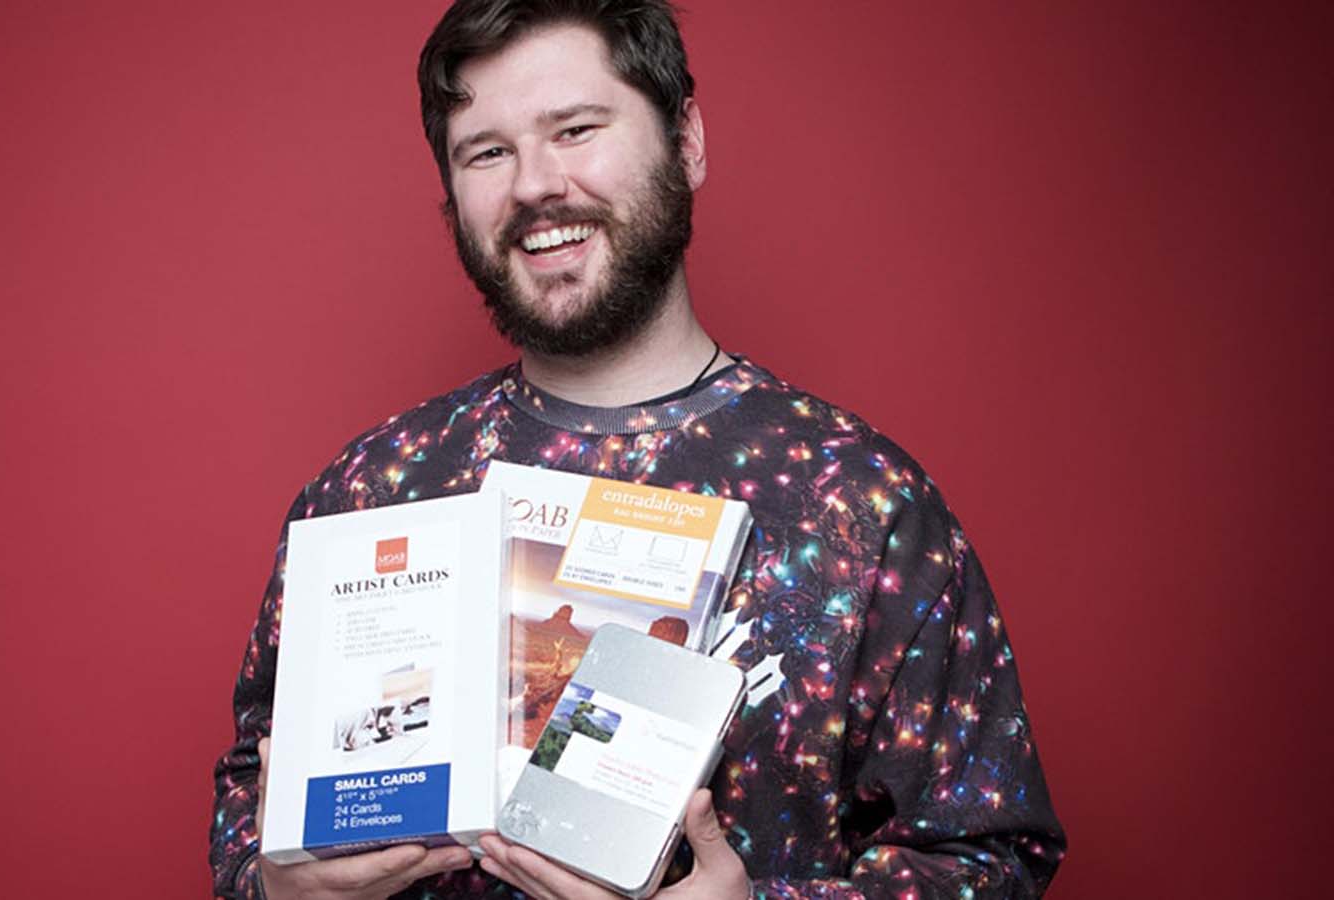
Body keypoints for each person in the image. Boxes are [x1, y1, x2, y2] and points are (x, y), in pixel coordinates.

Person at [210, 1, 1066, 896]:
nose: (535, 185)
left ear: (687, 139)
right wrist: (270, 886)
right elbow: (250, 790)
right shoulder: (371, 492)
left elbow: (989, 858)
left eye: (575, 129)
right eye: (487, 151)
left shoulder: (859, 503)